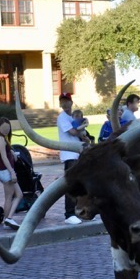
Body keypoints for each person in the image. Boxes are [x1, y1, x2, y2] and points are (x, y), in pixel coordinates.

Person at [57, 92, 84, 225]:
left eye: (67, 101)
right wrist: (83, 128)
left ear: (71, 102)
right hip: (69, 155)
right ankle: (69, 214)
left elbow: (78, 133)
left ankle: (79, 211)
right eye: (62, 101)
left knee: (80, 183)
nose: (65, 104)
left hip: (77, 153)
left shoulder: (72, 117)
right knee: (71, 184)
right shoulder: (62, 118)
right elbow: (73, 132)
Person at [0, 117, 22, 230]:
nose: (6, 130)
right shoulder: (0, 139)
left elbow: (3, 153)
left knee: (17, 195)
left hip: (3, 171)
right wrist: (12, 172)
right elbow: (4, 157)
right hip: (6, 172)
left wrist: (12, 152)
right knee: (10, 197)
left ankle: (8, 219)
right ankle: (8, 219)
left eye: (8, 128)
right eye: (4, 128)